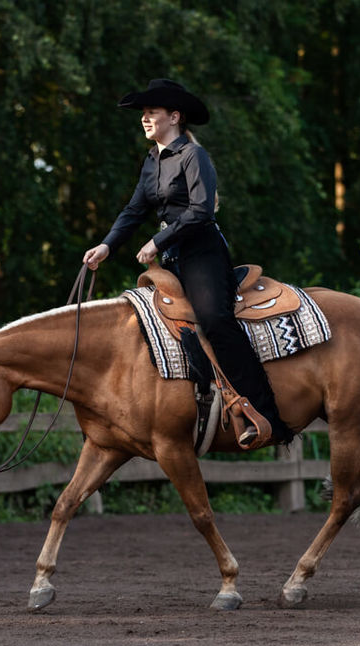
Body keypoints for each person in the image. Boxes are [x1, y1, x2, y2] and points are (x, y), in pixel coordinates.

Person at [83, 79, 293, 447]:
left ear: (174, 117)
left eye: (152, 113)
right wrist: (106, 246)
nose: (145, 119)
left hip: (202, 252)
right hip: (172, 259)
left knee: (215, 321)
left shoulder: (194, 157)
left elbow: (200, 212)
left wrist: (156, 240)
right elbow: (134, 210)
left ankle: (267, 417)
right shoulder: (151, 162)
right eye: (144, 114)